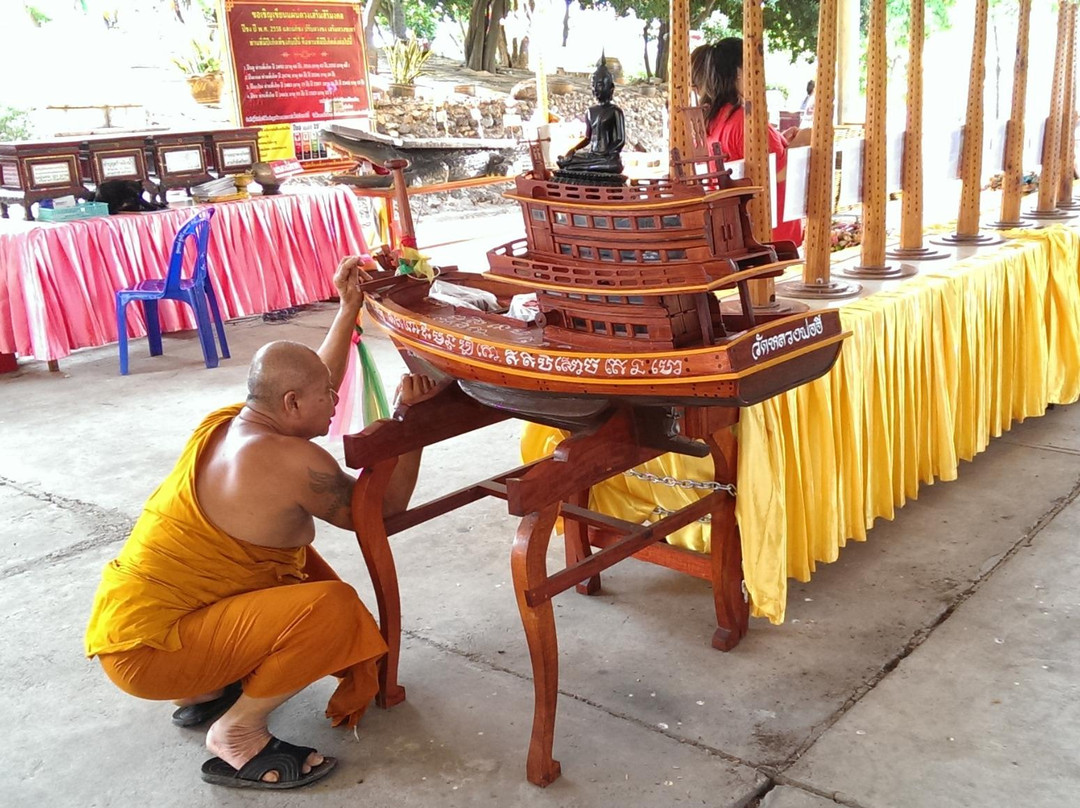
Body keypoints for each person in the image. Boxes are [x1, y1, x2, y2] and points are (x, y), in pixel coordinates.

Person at [85, 255, 440, 791]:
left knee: (298, 568)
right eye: (328, 397)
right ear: (292, 402)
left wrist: (347, 311)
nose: (336, 399)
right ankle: (238, 733)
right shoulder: (294, 462)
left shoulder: (231, 422)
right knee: (331, 609)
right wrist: (409, 427)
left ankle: (205, 689)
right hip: (152, 654)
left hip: (135, 629)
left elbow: (309, 379)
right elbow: (382, 514)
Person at [690, 38, 811, 246]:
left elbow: (755, 160)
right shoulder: (747, 122)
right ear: (738, 72)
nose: (759, 75)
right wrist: (806, 138)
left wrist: (781, 139)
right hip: (772, 235)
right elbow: (777, 171)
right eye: (754, 67)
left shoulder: (714, 119)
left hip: (743, 232)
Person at [555, 55, 626, 179]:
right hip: (592, 156)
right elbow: (588, 138)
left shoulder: (615, 111)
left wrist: (609, 153)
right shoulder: (590, 111)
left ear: (611, 88)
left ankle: (592, 166)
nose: (595, 89)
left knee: (613, 165)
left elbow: (620, 140)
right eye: (593, 85)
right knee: (570, 161)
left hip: (606, 158)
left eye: (599, 85)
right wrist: (573, 149)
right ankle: (580, 165)